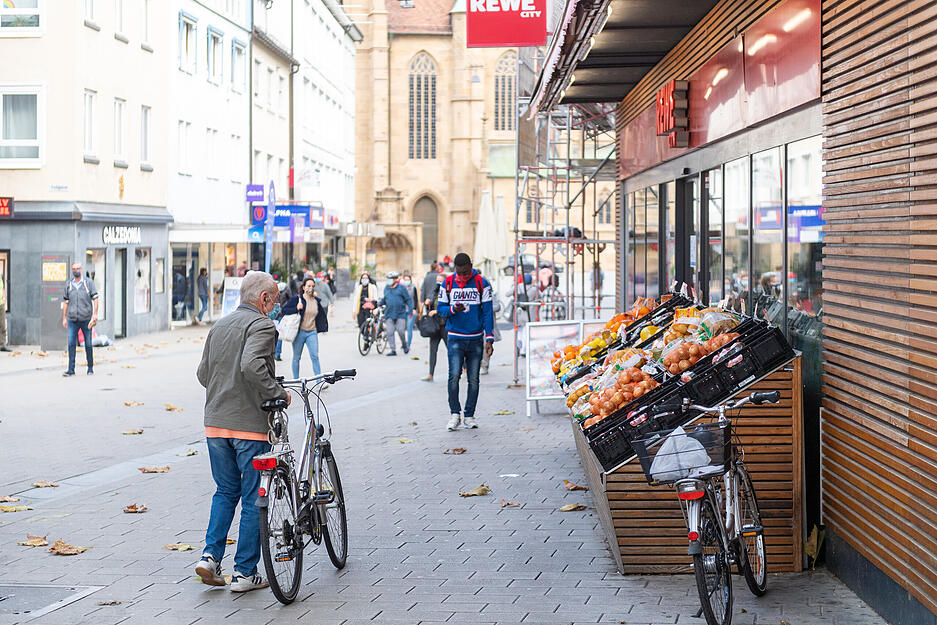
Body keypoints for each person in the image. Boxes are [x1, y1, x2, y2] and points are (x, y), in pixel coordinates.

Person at [195, 271, 287, 593]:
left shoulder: (219, 326)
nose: (275, 306)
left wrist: (225, 389)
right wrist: (276, 393)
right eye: (274, 300)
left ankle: (210, 557)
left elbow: (203, 374)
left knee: (224, 491)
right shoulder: (262, 325)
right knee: (252, 498)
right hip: (248, 427)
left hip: (215, 425)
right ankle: (245, 573)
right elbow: (251, 365)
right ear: (264, 298)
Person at [437, 253, 494, 431]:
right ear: (455, 268)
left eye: (465, 272)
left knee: (474, 379)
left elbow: (488, 312)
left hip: (475, 339)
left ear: (470, 266)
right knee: (454, 376)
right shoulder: (447, 283)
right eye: (459, 272)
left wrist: (489, 339)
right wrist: (453, 309)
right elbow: (440, 309)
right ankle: (455, 414)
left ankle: (469, 415)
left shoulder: (482, 284)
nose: (462, 276)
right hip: (455, 338)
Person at [282, 277, 327, 378]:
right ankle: (296, 380)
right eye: (308, 286)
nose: (311, 288)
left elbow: (321, 315)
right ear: (303, 287)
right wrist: (296, 308)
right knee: (296, 358)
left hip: (312, 332)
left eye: (313, 286)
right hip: (299, 332)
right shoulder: (297, 299)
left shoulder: (316, 300)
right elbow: (284, 310)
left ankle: (319, 380)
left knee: (315, 356)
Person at [62, 262, 99, 377]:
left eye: (77, 268)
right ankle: (71, 369)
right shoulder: (69, 284)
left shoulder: (88, 283)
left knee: (88, 344)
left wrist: (95, 314)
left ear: (81, 269)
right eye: (74, 269)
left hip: (86, 319)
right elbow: (66, 302)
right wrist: (64, 318)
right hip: (72, 319)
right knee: (71, 344)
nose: (76, 270)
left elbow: (95, 298)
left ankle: (90, 367)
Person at [421, 272, 447, 382]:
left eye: (440, 281)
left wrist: (437, 311)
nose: (438, 283)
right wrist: (428, 303)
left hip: (445, 326)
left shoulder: (448, 293)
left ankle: (462, 368)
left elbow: (449, 308)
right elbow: (430, 307)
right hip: (435, 326)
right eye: (437, 281)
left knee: (451, 349)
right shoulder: (434, 292)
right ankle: (430, 374)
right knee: (433, 350)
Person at [381, 271, 412, 356]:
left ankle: (404, 345)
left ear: (395, 279)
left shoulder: (401, 288)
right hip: (389, 314)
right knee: (389, 332)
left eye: (390, 279)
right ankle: (393, 350)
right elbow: (385, 299)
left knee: (401, 331)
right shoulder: (386, 288)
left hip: (400, 314)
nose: (388, 280)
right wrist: (379, 303)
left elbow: (408, 299)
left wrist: (411, 310)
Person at [401, 270, 421, 350]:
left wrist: (414, 309)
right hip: (402, 311)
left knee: (409, 328)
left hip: (411, 311)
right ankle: (404, 343)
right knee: (401, 328)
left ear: (410, 280)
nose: (407, 281)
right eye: (405, 280)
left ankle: (408, 345)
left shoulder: (413, 287)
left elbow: (415, 299)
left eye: (408, 280)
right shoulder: (401, 288)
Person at [0, 271, 9, 352]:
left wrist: (4, 299)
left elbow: (2, 289)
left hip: (1, 305)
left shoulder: (0, 277)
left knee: (3, 325)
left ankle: (3, 345)